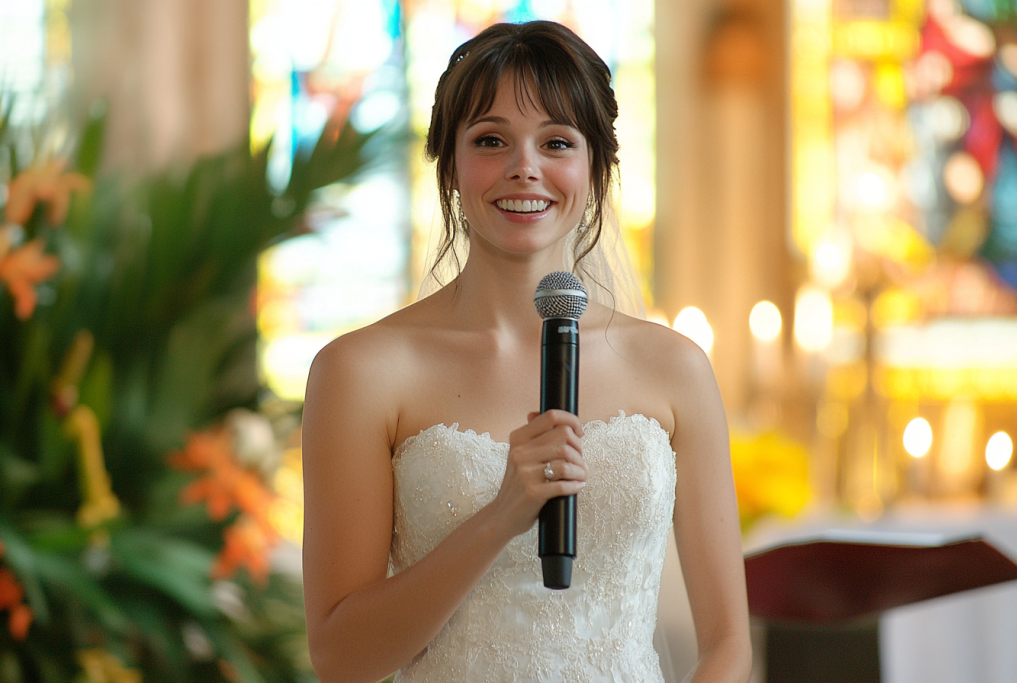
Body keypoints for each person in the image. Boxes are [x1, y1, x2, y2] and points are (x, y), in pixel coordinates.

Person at [301, 20, 752, 683]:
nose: (524, 167)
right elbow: (341, 659)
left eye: (556, 142)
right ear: (449, 165)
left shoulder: (673, 367)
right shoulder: (359, 372)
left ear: (596, 167)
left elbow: (727, 646)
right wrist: (500, 515)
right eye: (490, 140)